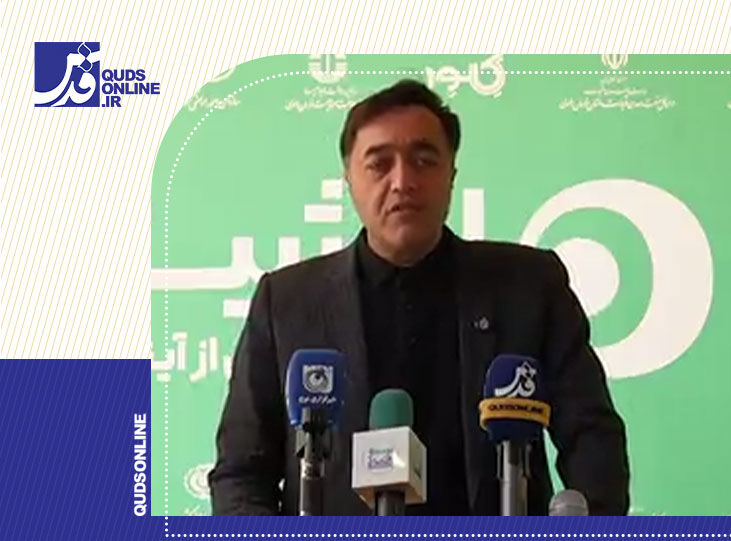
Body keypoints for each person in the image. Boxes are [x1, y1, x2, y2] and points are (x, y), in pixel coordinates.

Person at [208, 79, 630, 515]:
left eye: (424, 160)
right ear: (349, 180)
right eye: (379, 164)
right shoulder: (286, 302)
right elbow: (242, 471)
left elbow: (591, 436)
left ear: (452, 175)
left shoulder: (527, 286)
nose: (403, 181)